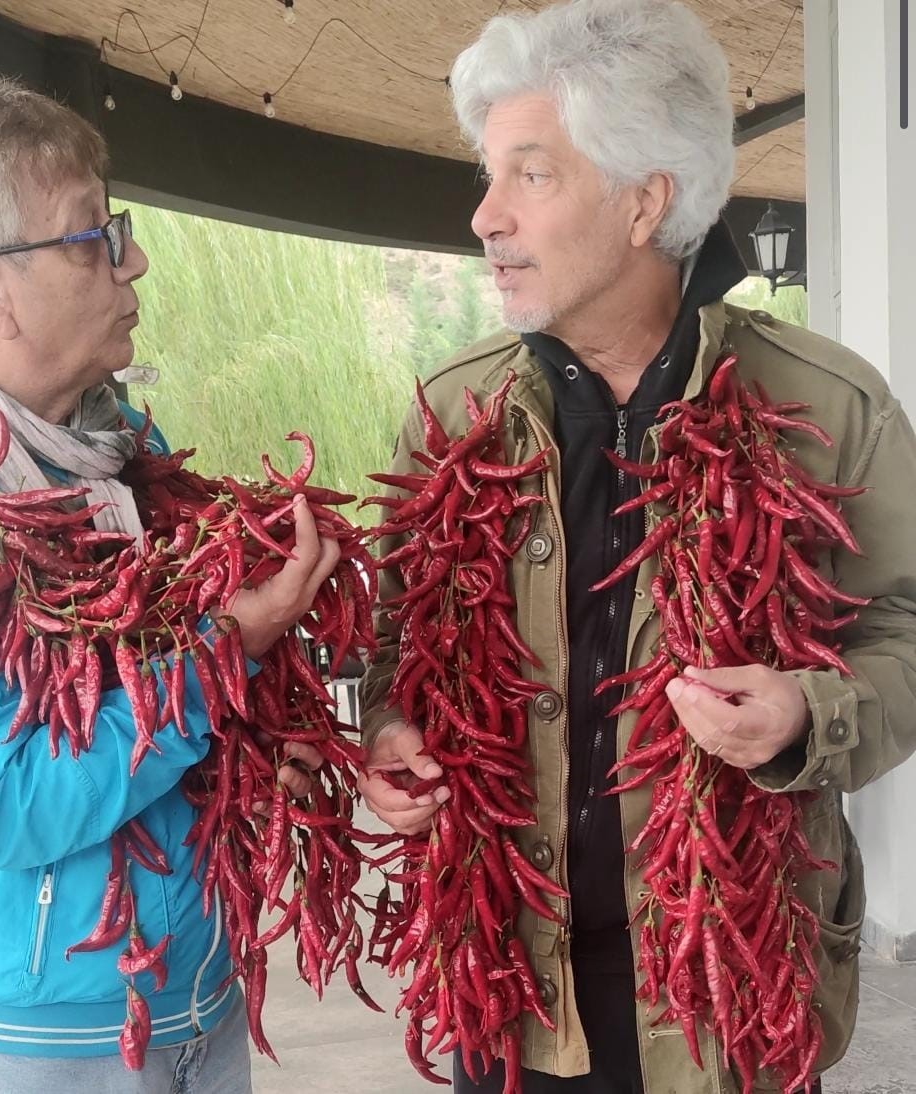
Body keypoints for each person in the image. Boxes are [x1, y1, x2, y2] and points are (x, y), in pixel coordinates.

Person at [358, 1, 916, 1091]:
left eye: (530, 174)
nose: (483, 216)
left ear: (642, 202)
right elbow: (398, 636)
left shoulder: (827, 406)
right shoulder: (454, 412)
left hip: (728, 985)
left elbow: (909, 627)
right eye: (487, 172)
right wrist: (390, 727)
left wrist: (811, 710)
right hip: (510, 983)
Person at [0, 70, 340, 1094]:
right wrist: (220, 660)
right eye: (92, 236)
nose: (134, 258)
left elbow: (143, 707)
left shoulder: (122, 448)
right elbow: (6, 803)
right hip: (44, 1037)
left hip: (200, 986)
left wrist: (251, 746)